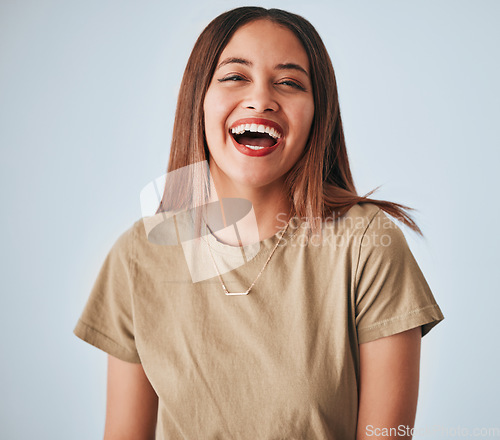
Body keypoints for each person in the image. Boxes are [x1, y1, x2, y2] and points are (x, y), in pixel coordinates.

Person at [74, 6, 444, 440]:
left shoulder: (367, 245)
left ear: (317, 115)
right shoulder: (139, 254)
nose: (262, 99)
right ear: (199, 98)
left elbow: (389, 435)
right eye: (235, 76)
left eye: (289, 83)